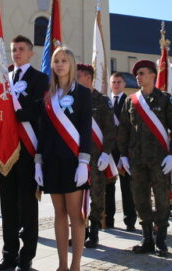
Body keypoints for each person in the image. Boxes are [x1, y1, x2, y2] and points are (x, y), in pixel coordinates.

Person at [0, 35, 48, 271]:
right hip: (5, 149)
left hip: (27, 149)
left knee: (27, 205)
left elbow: (39, 108)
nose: (16, 53)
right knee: (7, 205)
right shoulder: (3, 78)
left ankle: (26, 257)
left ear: (31, 53)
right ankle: (9, 255)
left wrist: (14, 115)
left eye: (21, 49)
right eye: (14, 49)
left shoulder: (40, 78)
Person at [117, 60, 172, 257]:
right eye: (137, 74)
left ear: (153, 75)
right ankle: (146, 238)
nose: (138, 76)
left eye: (142, 73)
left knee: (162, 200)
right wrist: (123, 156)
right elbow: (123, 131)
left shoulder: (165, 99)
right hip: (137, 160)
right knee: (140, 199)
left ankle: (161, 240)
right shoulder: (131, 101)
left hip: (159, 160)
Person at [35, 47, 92, 271]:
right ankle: (62, 265)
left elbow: (85, 130)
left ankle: (76, 265)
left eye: (64, 60)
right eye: (56, 61)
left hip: (74, 162)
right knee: (59, 214)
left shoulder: (82, 94)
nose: (59, 64)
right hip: (52, 162)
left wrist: (84, 163)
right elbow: (43, 131)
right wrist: (39, 162)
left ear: (72, 64)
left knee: (75, 215)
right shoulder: (48, 95)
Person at [76, 63, 116, 248]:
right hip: (76, 156)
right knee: (75, 196)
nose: (75, 78)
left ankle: (94, 232)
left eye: (79, 75)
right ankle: (78, 232)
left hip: (96, 156)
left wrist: (106, 153)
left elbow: (109, 129)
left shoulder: (102, 100)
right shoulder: (71, 98)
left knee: (97, 195)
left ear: (88, 77)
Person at [108, 72, 136, 232]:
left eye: (119, 82)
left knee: (127, 188)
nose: (116, 85)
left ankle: (130, 220)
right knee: (108, 186)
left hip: (125, 151)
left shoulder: (130, 101)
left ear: (125, 84)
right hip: (108, 150)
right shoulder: (105, 102)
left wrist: (127, 152)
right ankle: (108, 218)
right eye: (114, 82)